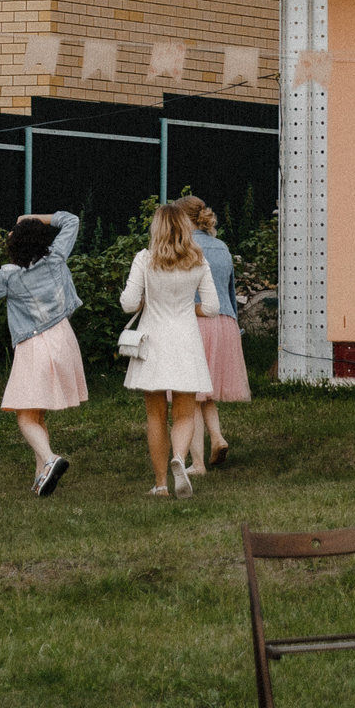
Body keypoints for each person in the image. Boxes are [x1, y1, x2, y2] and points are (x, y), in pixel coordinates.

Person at [0, 211, 87, 497]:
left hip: (34, 346)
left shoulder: (9, 276)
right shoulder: (57, 258)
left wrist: (6, 278)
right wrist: (35, 217)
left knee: (24, 415)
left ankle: (50, 460)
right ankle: (40, 477)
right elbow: (71, 220)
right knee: (37, 414)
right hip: (64, 339)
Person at [120, 202, 217, 499]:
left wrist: (148, 303)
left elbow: (127, 303)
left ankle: (161, 483)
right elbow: (212, 308)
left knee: (155, 415)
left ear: (157, 228)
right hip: (186, 341)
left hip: (154, 343)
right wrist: (189, 308)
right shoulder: (198, 261)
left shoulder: (145, 259)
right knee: (185, 413)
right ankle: (179, 456)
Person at [175, 196, 250, 471]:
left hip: (195, 320)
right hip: (224, 322)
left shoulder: (183, 247)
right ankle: (217, 437)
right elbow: (229, 290)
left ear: (184, 218)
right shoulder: (222, 247)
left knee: (189, 395)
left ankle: (197, 463)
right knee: (206, 393)